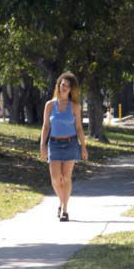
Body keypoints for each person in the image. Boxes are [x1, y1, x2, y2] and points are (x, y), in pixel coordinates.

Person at [40, 71, 88, 222]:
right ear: (58, 86)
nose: (64, 87)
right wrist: (43, 145)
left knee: (66, 177)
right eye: (62, 84)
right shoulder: (50, 105)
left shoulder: (74, 106)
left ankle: (65, 210)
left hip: (70, 143)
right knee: (55, 179)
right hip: (53, 144)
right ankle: (62, 201)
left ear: (71, 89)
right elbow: (46, 126)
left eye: (67, 86)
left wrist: (83, 147)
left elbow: (79, 128)